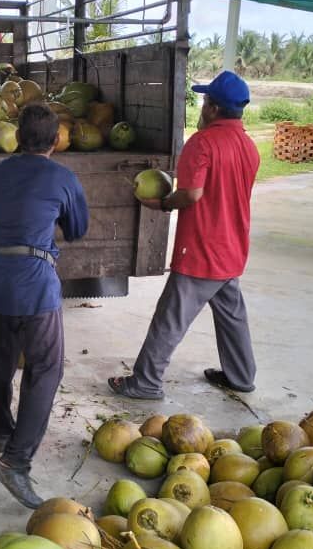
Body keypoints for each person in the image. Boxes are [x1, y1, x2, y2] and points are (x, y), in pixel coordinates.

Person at [108, 70, 260, 401]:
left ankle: (145, 382)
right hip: (233, 248)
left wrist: (162, 203)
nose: (202, 108)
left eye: (205, 102)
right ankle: (241, 376)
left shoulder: (202, 143)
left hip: (203, 249)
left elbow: (191, 194)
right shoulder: (249, 146)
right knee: (233, 317)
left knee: (170, 318)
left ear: (214, 109)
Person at [0, 103, 89, 509]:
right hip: (37, 284)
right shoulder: (63, 177)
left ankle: (2, 429)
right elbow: (77, 230)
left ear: (17, 139)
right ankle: (16, 460)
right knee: (46, 367)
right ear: (57, 141)